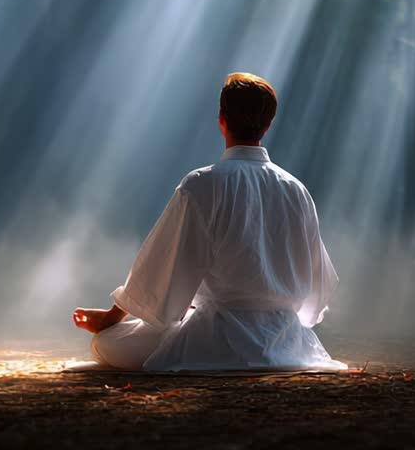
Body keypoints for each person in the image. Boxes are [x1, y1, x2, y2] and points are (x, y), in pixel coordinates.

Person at [72, 72, 344, 371]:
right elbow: (319, 284)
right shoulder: (296, 189)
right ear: (268, 125)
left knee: (106, 342)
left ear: (221, 119)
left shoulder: (202, 183)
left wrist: (109, 320)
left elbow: (162, 268)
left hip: (216, 338)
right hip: (286, 342)